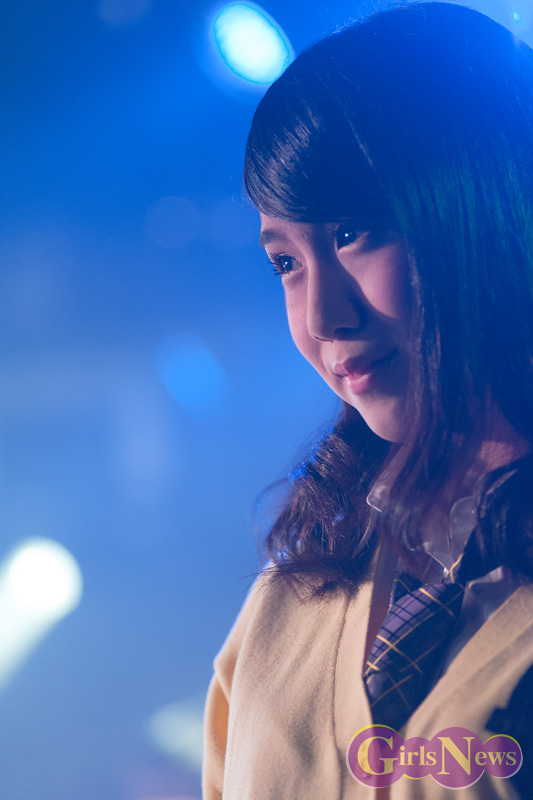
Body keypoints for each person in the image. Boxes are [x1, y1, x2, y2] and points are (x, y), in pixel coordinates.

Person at [202, 3, 533, 798]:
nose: (322, 317)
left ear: (484, 213)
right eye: (285, 263)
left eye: (353, 231)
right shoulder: (285, 610)